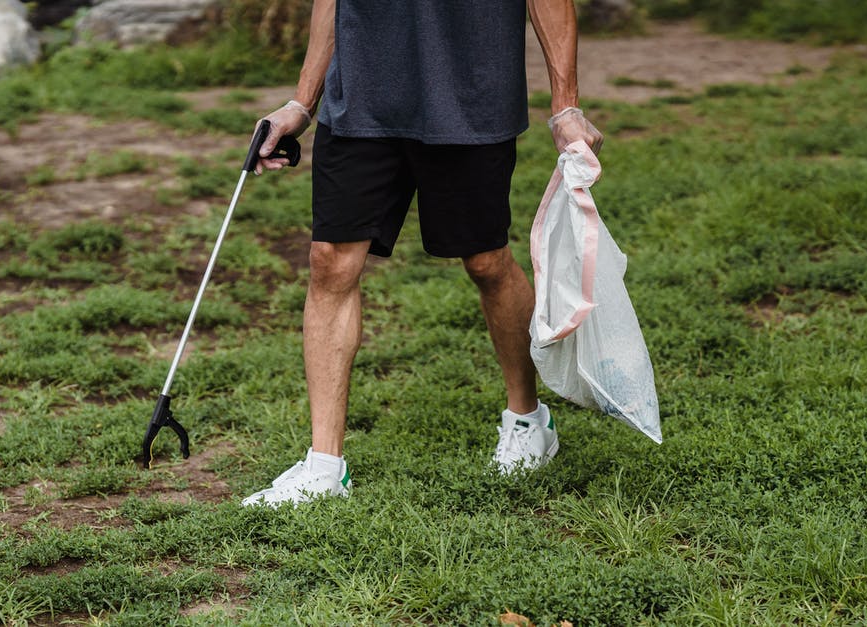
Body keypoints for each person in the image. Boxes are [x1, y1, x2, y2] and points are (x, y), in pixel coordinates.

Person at [241, 0, 604, 507]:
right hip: (362, 102)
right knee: (331, 261)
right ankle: (325, 465)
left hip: (471, 98)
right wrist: (303, 101)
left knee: (485, 260)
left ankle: (528, 421)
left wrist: (566, 107)